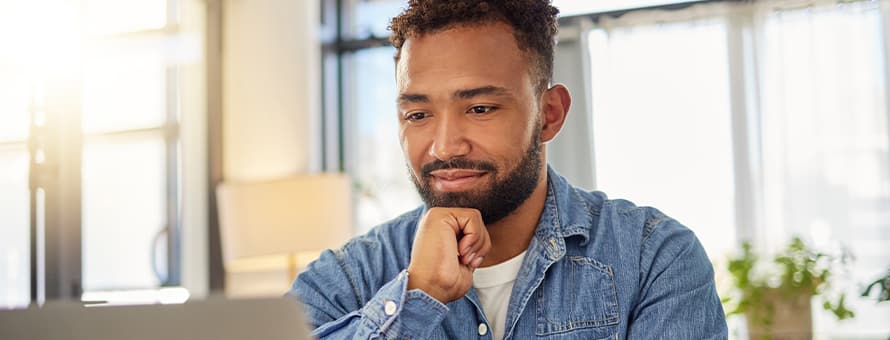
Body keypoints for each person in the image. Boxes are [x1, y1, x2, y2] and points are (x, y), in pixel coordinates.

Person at [289, 1, 728, 338]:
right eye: (418, 115)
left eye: (480, 108)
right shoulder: (347, 277)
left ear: (550, 114)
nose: (444, 146)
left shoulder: (654, 258)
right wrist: (415, 297)